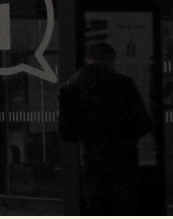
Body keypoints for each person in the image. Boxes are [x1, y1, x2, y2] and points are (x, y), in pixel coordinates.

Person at [58, 41, 153, 214]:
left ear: (88, 60)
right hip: (124, 158)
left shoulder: (69, 88)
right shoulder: (123, 84)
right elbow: (143, 124)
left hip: (91, 158)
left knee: (96, 206)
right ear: (111, 60)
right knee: (123, 206)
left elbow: (66, 133)